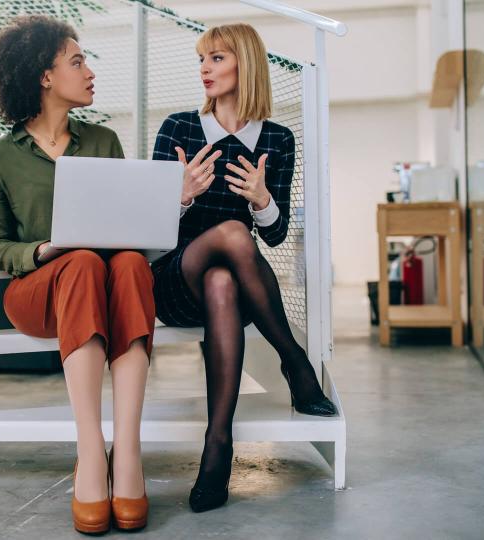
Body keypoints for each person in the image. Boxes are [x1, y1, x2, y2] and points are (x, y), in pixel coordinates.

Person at [150, 23, 338, 513]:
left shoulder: (276, 138)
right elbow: (147, 232)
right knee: (232, 237)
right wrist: (181, 195)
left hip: (229, 291)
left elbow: (273, 236)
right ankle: (295, 362)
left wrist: (262, 200)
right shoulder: (179, 129)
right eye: (202, 60)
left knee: (223, 275)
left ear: (245, 65)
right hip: (173, 278)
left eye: (216, 59)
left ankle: (218, 446)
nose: (204, 70)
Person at [0, 15, 151, 534]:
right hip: (38, 293)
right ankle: (92, 451)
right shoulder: (0, 159)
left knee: (130, 262)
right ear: (45, 76)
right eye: (77, 61)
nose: (89, 71)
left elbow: (125, 228)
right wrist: (45, 249)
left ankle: (129, 450)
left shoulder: (104, 141)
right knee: (78, 260)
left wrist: (165, 204)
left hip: (104, 282)